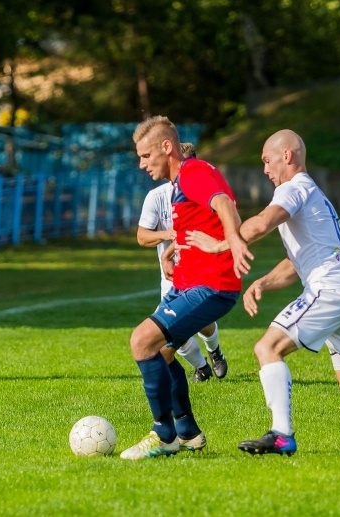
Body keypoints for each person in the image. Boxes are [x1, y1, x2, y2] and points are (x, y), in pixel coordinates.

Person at [184, 129, 340, 461]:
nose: (265, 169)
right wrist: (263, 283)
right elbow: (297, 261)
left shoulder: (294, 188)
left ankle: (282, 435)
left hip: (329, 289)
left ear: (287, 156)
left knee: (267, 347)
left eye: (267, 160)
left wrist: (221, 242)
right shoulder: (311, 193)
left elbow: (261, 223)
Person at [120, 116, 248, 460]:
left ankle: (163, 435)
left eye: (146, 156)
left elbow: (223, 203)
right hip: (189, 283)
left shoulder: (193, 172)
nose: (142, 164)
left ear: (166, 147)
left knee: (141, 341)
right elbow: (197, 225)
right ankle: (188, 432)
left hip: (212, 286)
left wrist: (231, 242)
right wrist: (173, 253)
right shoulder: (180, 183)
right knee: (161, 353)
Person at [136, 142, 227, 383]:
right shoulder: (156, 197)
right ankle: (201, 367)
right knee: (170, 331)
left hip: (200, 273)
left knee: (203, 324)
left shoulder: (201, 190)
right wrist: (168, 235)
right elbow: (142, 236)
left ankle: (215, 351)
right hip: (172, 277)